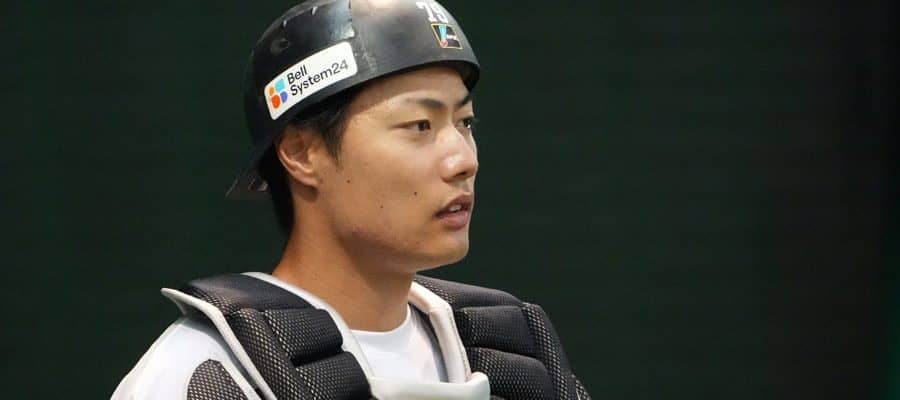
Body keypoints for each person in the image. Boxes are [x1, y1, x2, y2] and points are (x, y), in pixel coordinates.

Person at [112, 1, 591, 399]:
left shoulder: (519, 358)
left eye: (465, 123)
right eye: (420, 126)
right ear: (302, 153)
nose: (463, 160)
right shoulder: (209, 375)